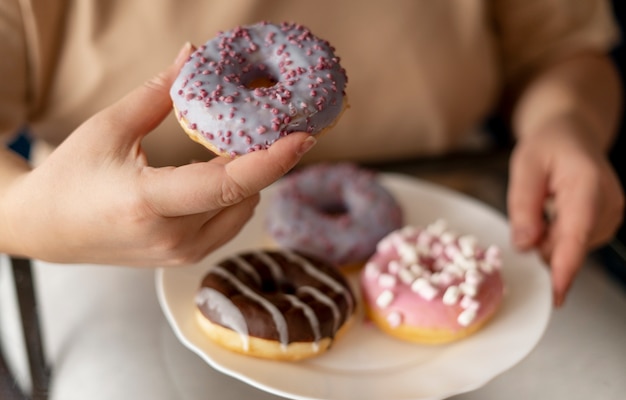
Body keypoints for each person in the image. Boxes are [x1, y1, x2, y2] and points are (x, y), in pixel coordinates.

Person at [0, 1, 623, 307]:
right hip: (111, 253)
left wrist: (567, 120)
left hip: (454, 217)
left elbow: (563, 50)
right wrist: (27, 215)